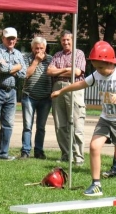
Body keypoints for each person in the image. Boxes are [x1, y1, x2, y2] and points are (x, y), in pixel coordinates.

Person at [52, 41, 116, 198]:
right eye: (95, 67)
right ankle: (96, 184)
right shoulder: (98, 74)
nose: (97, 71)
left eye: (100, 67)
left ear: (110, 63)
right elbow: (80, 84)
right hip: (106, 118)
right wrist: (62, 90)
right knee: (94, 146)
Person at [0, 27, 27, 162]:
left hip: (12, 91)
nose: (11, 41)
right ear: (3, 38)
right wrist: (17, 66)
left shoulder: (18, 53)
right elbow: (2, 68)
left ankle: (3, 153)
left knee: (8, 123)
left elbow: (23, 73)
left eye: (13, 38)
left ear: (16, 39)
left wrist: (13, 67)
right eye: (8, 38)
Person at [47, 30, 86, 166]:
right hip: (57, 88)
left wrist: (60, 69)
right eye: (63, 40)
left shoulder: (79, 53)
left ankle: (78, 157)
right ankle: (66, 155)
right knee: (60, 124)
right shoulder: (57, 55)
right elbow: (49, 71)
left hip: (73, 87)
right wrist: (66, 69)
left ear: (73, 40)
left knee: (76, 123)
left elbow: (77, 72)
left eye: (68, 40)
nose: (66, 42)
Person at [20, 37, 52, 159]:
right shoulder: (26, 58)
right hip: (29, 96)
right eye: (36, 48)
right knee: (27, 126)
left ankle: (39, 151)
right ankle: (25, 151)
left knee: (41, 127)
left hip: (45, 98)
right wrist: (36, 61)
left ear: (45, 48)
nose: (38, 51)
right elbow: (26, 74)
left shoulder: (50, 59)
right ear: (32, 48)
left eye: (41, 48)